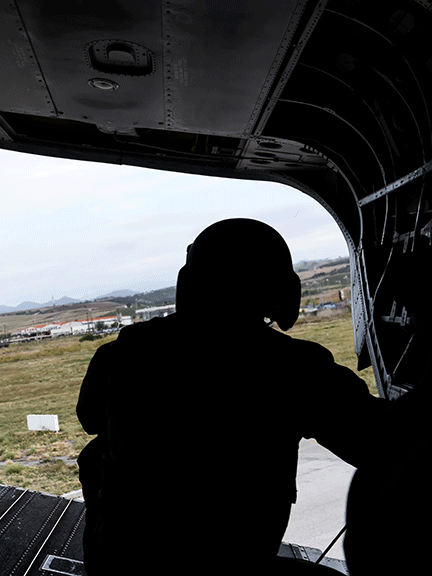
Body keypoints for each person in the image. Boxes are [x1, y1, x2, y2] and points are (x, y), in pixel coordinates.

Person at [75, 218, 385, 574]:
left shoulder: (125, 352)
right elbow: (380, 440)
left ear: (191, 283)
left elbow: (89, 418)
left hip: (124, 562)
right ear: (279, 290)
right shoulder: (294, 367)